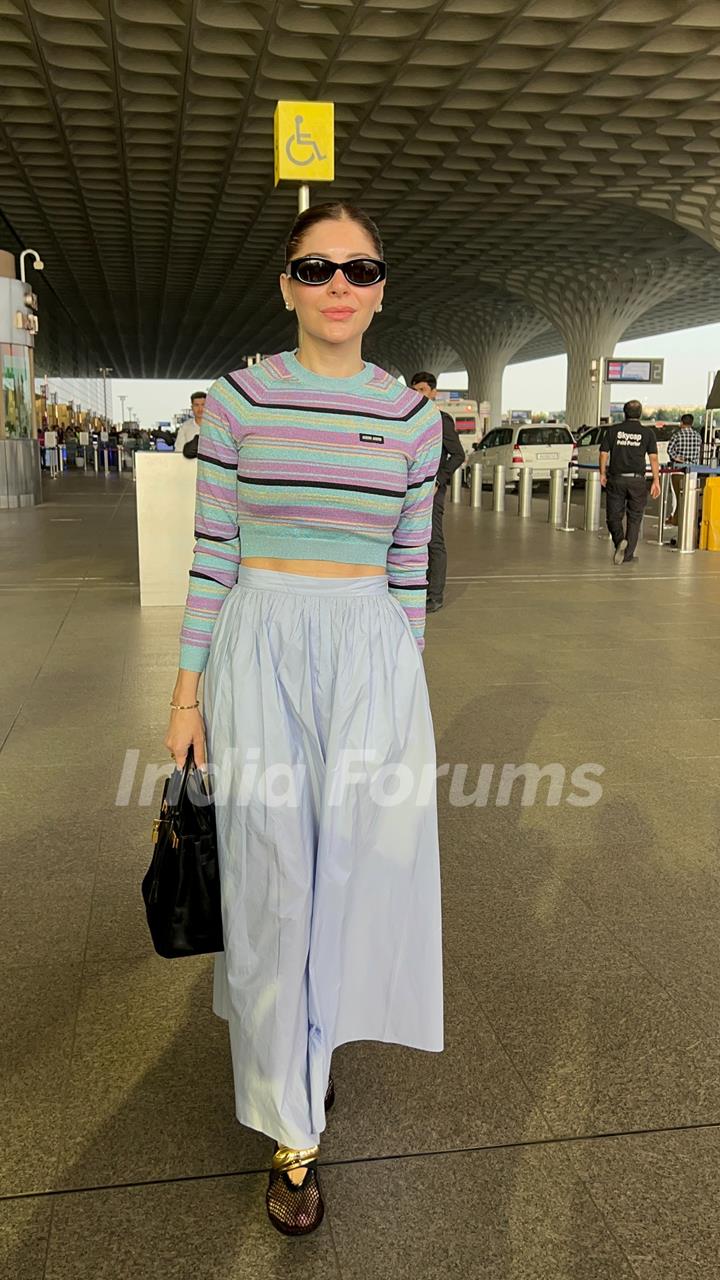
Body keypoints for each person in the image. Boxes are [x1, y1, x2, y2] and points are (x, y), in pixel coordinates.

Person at [165, 201, 443, 1237]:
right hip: (261, 648)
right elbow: (211, 554)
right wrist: (185, 695)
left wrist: (405, 683)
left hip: (369, 656)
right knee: (278, 881)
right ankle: (291, 1128)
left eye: (360, 269)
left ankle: (310, 1055)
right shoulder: (237, 402)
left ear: (382, 288)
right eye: (316, 267)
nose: (338, 285)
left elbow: (411, 566)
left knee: (348, 880)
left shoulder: (416, 420)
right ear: (286, 285)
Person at [409, 373, 465, 613]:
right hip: (410, 488)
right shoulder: (408, 418)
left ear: (433, 392)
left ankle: (435, 596)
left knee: (433, 541)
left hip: (433, 490)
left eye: (422, 389)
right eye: (414, 389)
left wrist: (439, 481)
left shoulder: (441, 420)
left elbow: (458, 454)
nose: (417, 394)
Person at [599, 399, 660, 564]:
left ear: (624, 413)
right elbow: (653, 459)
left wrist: (602, 473)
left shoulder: (613, 430)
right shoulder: (647, 433)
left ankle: (620, 541)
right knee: (635, 518)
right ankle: (627, 555)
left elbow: (603, 454)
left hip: (616, 479)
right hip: (637, 481)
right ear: (640, 414)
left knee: (613, 516)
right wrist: (656, 480)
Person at [667, 413, 702, 526]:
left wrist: (677, 457)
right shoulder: (697, 436)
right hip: (693, 470)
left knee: (677, 496)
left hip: (678, 469)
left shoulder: (677, 435)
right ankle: (689, 519)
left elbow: (670, 450)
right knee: (690, 496)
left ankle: (676, 518)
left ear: (682, 423)